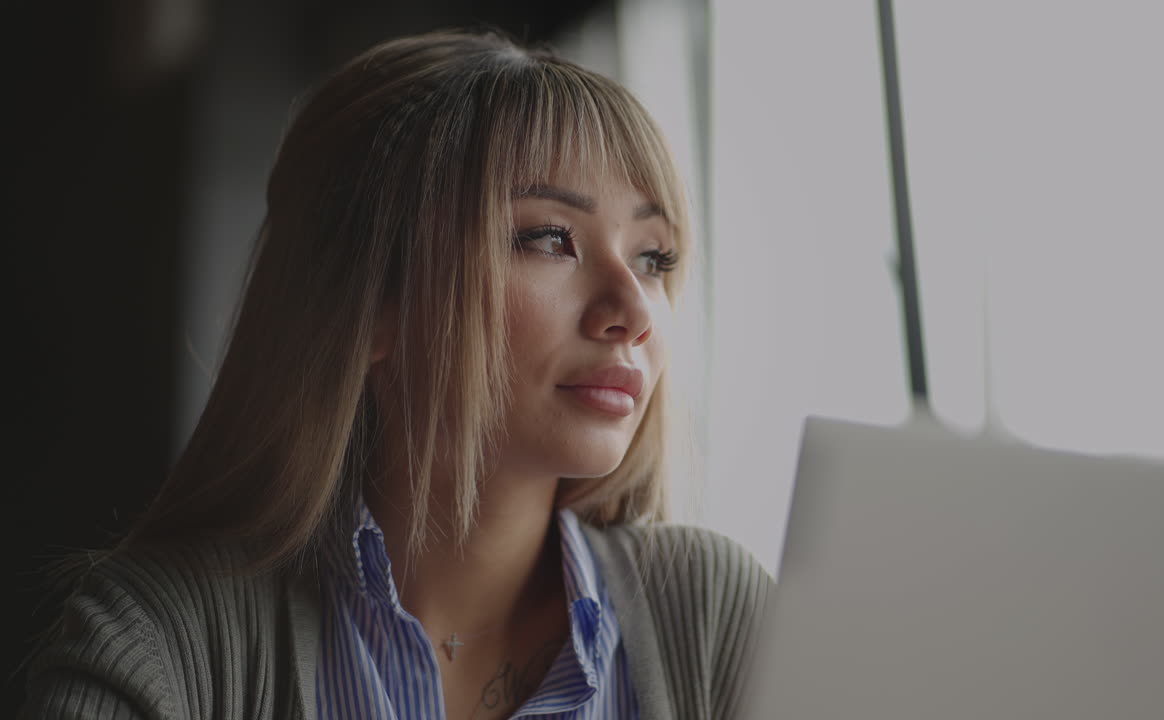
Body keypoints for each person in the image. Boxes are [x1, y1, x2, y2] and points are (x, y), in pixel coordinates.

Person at [20, 29, 770, 720]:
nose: (633, 309)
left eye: (653, 257)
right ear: (372, 301)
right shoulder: (162, 643)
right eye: (549, 239)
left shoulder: (718, 618)